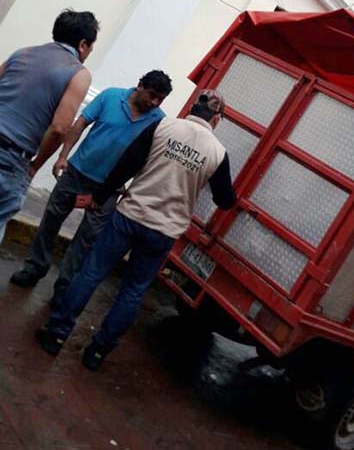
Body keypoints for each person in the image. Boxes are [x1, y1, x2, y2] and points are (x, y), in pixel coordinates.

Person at [35, 89, 236, 371]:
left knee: (92, 271)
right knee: (132, 291)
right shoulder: (218, 153)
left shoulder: (163, 126)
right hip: (164, 231)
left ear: (193, 107)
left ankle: (56, 335)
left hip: (129, 216)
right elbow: (225, 201)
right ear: (216, 119)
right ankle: (97, 352)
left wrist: (100, 196)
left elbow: (126, 165)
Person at [10, 70, 173, 306]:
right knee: (51, 220)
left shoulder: (159, 121)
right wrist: (63, 156)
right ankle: (35, 267)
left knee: (86, 240)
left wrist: (132, 190)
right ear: (140, 85)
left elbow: (149, 161)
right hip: (77, 173)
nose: (155, 102)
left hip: (109, 190)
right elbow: (80, 124)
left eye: (161, 99)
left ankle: (63, 288)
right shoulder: (111, 96)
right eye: (152, 95)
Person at [0, 10, 97, 244]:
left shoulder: (22, 53)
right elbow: (60, 128)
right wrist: (34, 167)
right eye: (91, 46)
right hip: (10, 159)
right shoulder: (78, 73)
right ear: (83, 44)